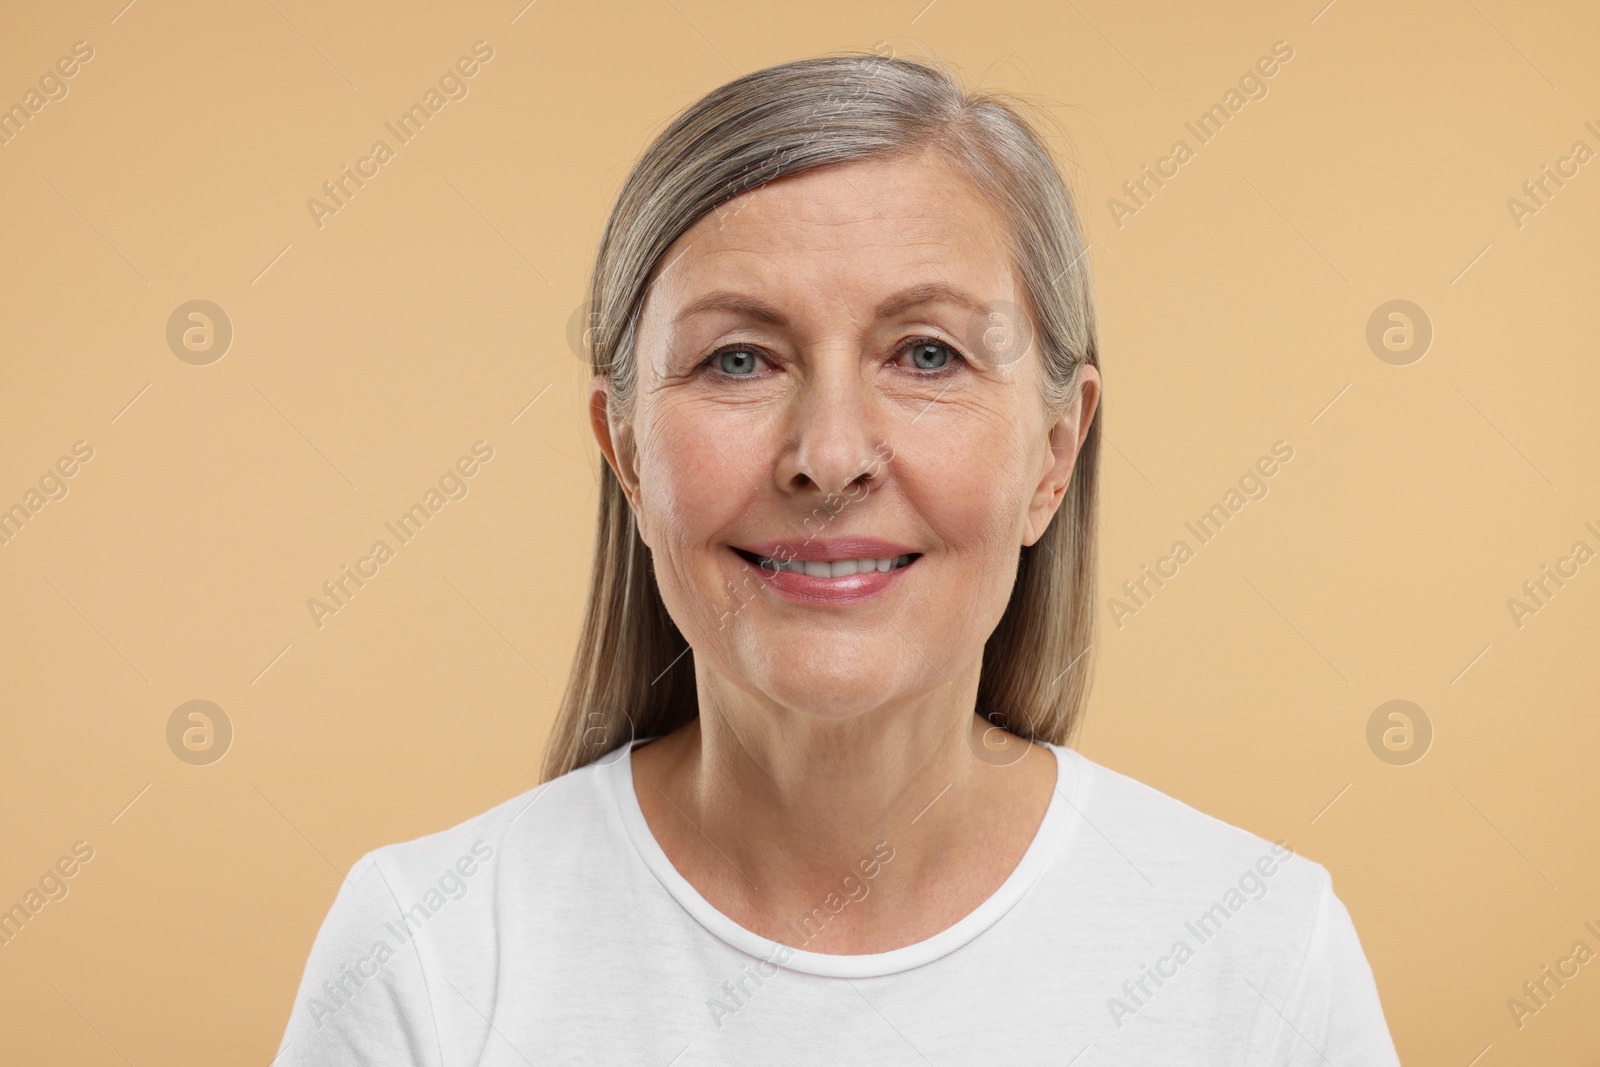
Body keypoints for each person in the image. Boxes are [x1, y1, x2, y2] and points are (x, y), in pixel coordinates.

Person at [274, 51, 1400, 1065]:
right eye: (735, 360)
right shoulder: (428, 951)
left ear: (1053, 454)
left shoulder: (1258, 951)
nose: (829, 455)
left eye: (925, 352)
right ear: (622, 446)